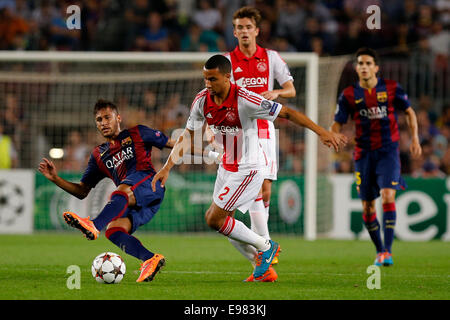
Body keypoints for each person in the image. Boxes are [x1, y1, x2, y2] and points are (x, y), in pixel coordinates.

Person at [151, 55, 347, 282]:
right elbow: (187, 136)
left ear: (227, 77)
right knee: (226, 227)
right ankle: (263, 270)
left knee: (214, 219)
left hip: (249, 168)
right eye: (205, 79)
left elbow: (288, 113)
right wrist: (167, 167)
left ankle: (266, 245)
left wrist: (322, 132)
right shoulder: (202, 101)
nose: (207, 84)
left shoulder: (246, 99)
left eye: (212, 79)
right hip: (226, 167)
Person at [38, 99, 175, 283]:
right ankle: (150, 259)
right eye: (99, 119)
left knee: (120, 192)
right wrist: (56, 178)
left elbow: (175, 144)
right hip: (137, 200)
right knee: (113, 230)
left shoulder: (138, 133)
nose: (103, 123)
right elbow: (82, 191)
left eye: (107, 117)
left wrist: (208, 151)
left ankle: (94, 225)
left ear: (118, 118)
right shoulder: (98, 155)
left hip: (150, 185)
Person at [223, 6, 296, 281]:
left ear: (257, 30)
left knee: (264, 189)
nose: (243, 31)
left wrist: (276, 92)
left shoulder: (271, 57)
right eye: (239, 27)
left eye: (247, 27)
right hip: (237, 133)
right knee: (235, 205)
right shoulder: (227, 61)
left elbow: (291, 89)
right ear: (234, 31)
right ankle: (264, 250)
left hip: (264, 128)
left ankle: (264, 251)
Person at [331, 47, 422, 267]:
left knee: (388, 194)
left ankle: (388, 252)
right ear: (356, 68)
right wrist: (333, 135)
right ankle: (380, 250)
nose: (364, 67)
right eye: (360, 63)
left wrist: (415, 139)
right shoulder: (349, 95)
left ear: (376, 67)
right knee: (368, 208)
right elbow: (338, 122)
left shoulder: (391, 88)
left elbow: (409, 111)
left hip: (388, 151)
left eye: (368, 63)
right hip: (363, 154)